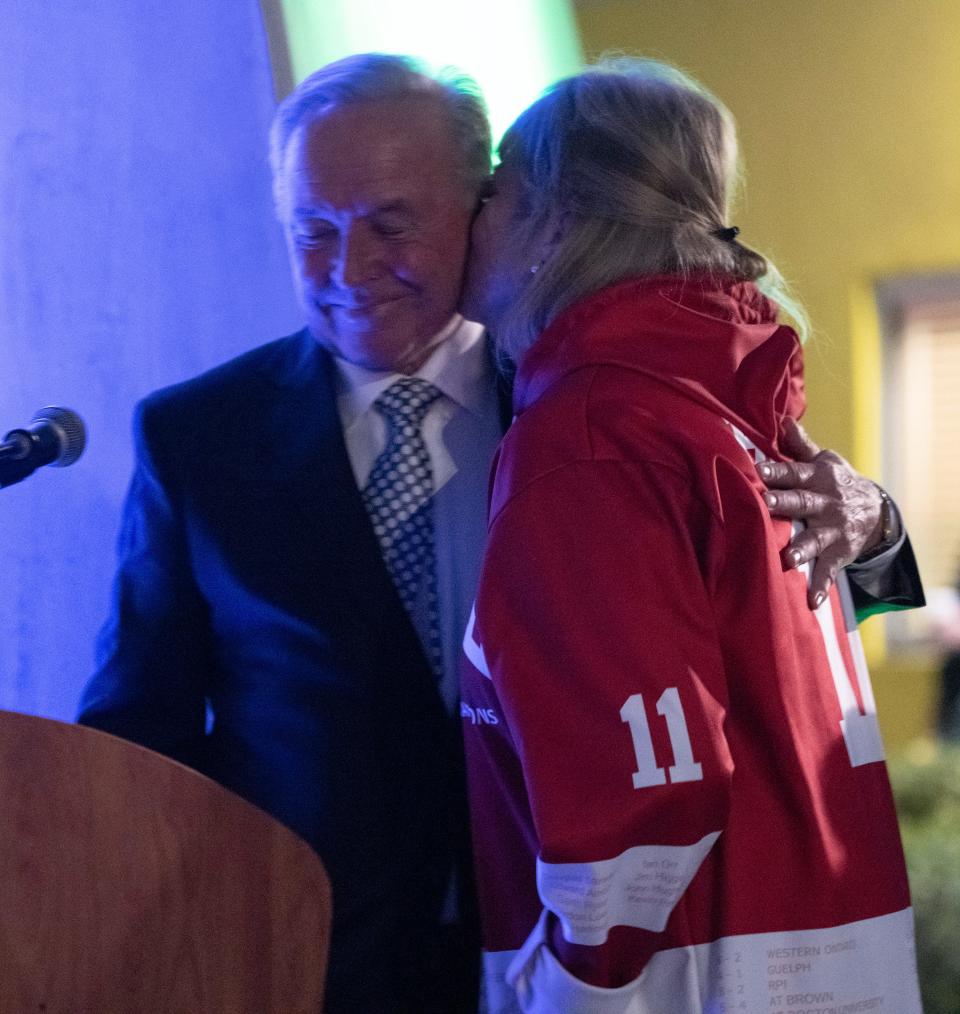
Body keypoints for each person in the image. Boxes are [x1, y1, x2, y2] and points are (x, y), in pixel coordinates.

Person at [77, 54, 920, 1013]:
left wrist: (878, 526)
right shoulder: (197, 437)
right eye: (311, 230)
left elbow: (788, 622)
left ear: (485, 207)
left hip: (577, 966)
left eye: (391, 224)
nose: (348, 271)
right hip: (306, 968)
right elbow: (136, 736)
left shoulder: (602, 398)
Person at [459, 59, 923, 1012]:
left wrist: (565, 989)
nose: (475, 217)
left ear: (559, 220)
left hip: (696, 976)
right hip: (827, 962)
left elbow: (648, 785)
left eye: (496, 188)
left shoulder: (591, 434)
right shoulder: (724, 405)